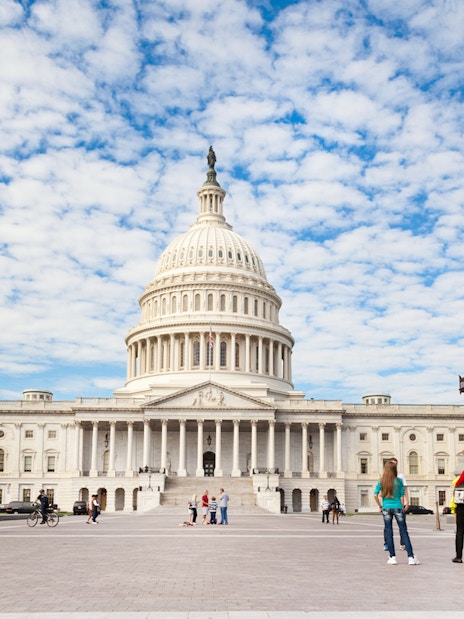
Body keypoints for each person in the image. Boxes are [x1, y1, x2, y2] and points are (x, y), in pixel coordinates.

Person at [374, 460, 419, 565]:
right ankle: (411, 557)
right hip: (398, 507)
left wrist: (379, 505)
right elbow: (402, 495)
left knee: (389, 532)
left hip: (386, 508)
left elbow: (375, 494)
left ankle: (392, 557)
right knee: (404, 532)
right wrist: (402, 506)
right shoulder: (399, 481)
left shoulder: (381, 481)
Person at [382, 457, 408, 551]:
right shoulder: (385, 476)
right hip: (389, 505)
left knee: (402, 526)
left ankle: (403, 544)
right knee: (388, 527)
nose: (394, 465)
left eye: (395, 464)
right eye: (392, 463)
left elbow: (404, 490)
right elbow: (382, 492)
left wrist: (406, 502)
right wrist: (381, 505)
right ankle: (387, 544)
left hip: (399, 504)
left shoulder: (400, 476)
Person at [449, 470, 464, 563]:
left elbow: (457, 484)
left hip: (461, 506)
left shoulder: (460, 478)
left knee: (460, 531)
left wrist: (453, 510)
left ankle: (458, 556)